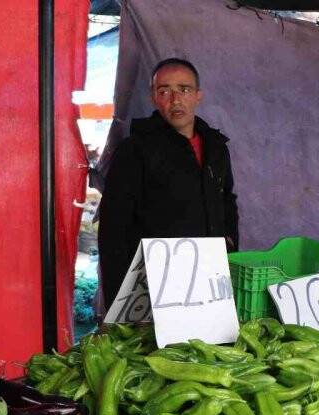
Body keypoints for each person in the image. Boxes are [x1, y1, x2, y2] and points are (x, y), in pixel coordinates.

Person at [97, 58, 239, 305]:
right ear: (153, 98)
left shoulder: (216, 148)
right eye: (164, 91)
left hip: (208, 278)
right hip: (156, 286)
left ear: (197, 96)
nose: (175, 100)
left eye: (184, 90)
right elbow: (114, 229)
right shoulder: (135, 151)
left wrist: (230, 243)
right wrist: (119, 301)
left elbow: (226, 198)